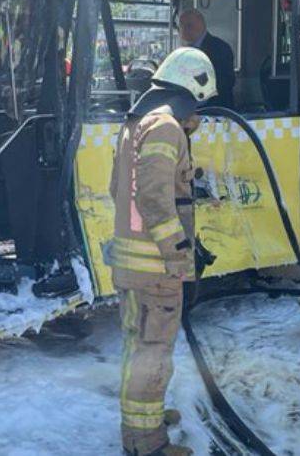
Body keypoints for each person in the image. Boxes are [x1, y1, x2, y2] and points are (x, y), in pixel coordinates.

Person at [104, 47, 216, 456]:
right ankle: (147, 443)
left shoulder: (136, 123)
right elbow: (155, 198)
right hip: (156, 267)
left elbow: (119, 190)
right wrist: (178, 252)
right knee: (153, 352)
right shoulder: (166, 128)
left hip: (131, 264)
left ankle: (142, 420)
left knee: (137, 347)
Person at [177, 8, 234, 109]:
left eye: (188, 25)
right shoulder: (184, 51)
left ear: (201, 24)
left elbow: (226, 82)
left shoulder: (219, 48)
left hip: (217, 109)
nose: (184, 30)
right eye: (181, 26)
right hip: (191, 109)